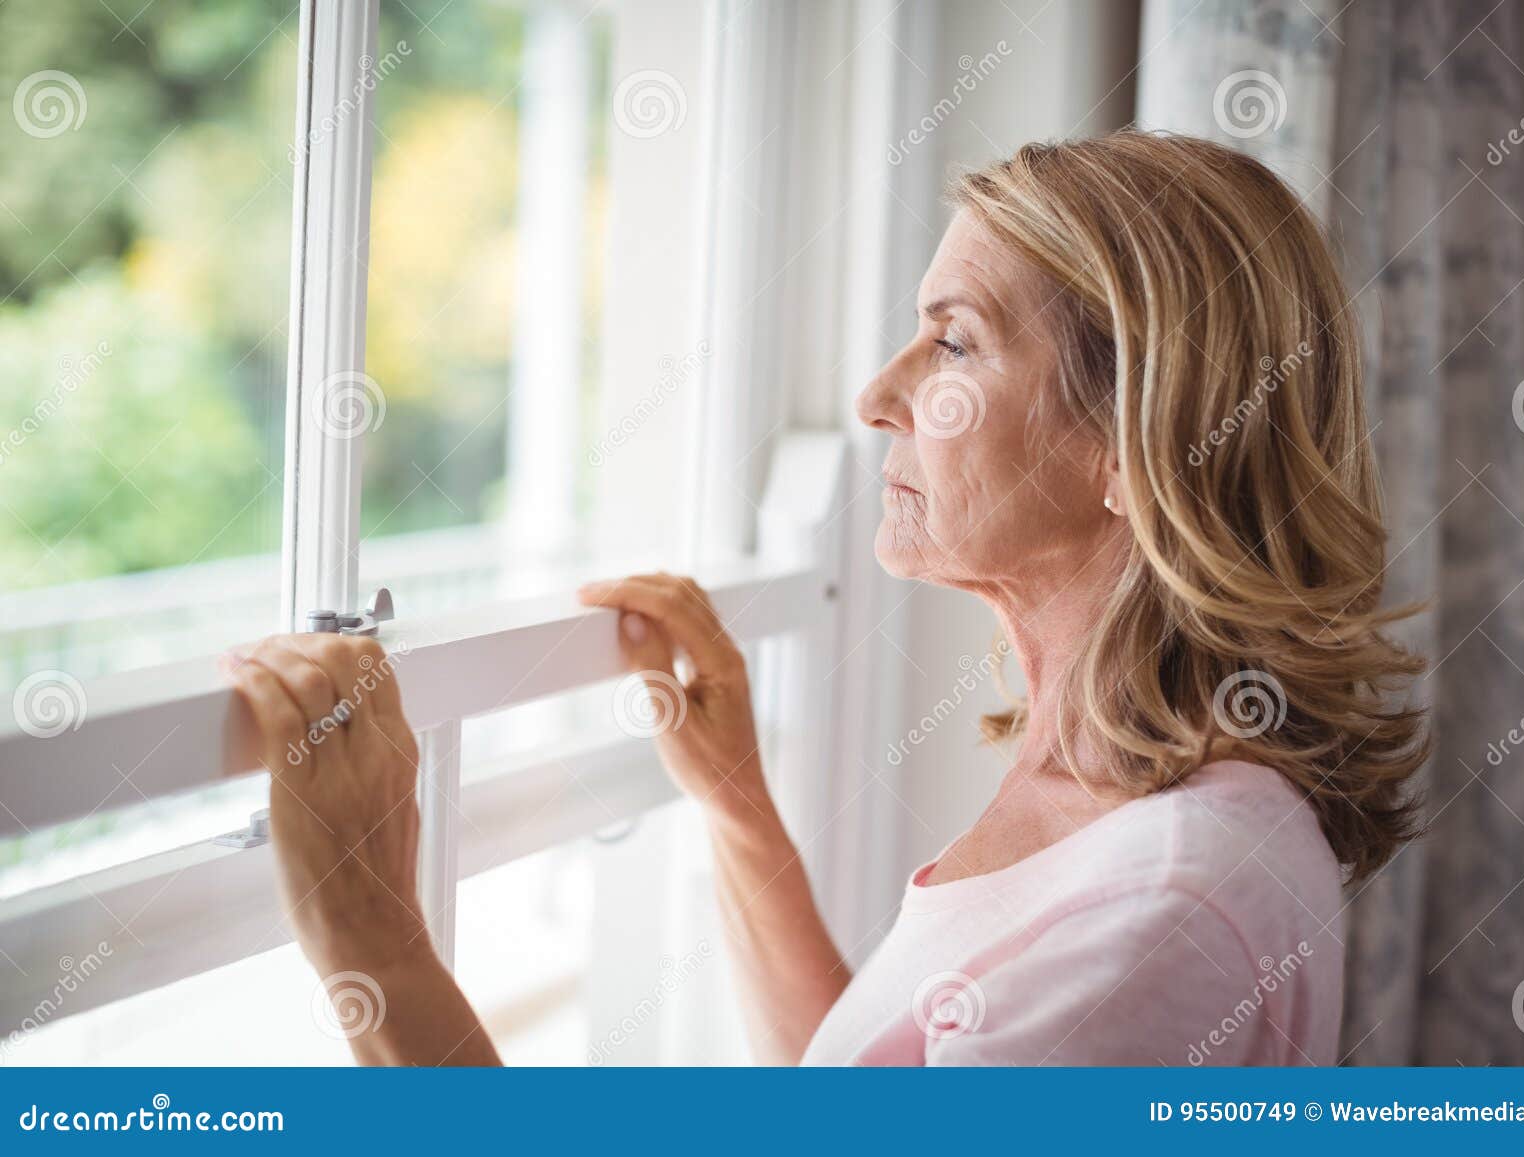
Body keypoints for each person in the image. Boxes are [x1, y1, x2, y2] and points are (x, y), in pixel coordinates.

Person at [224, 132, 1428, 1066]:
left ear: (1132, 445)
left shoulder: (1157, 910)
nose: (875, 395)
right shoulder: (1127, 794)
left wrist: (366, 928)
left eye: (953, 345)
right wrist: (740, 807)